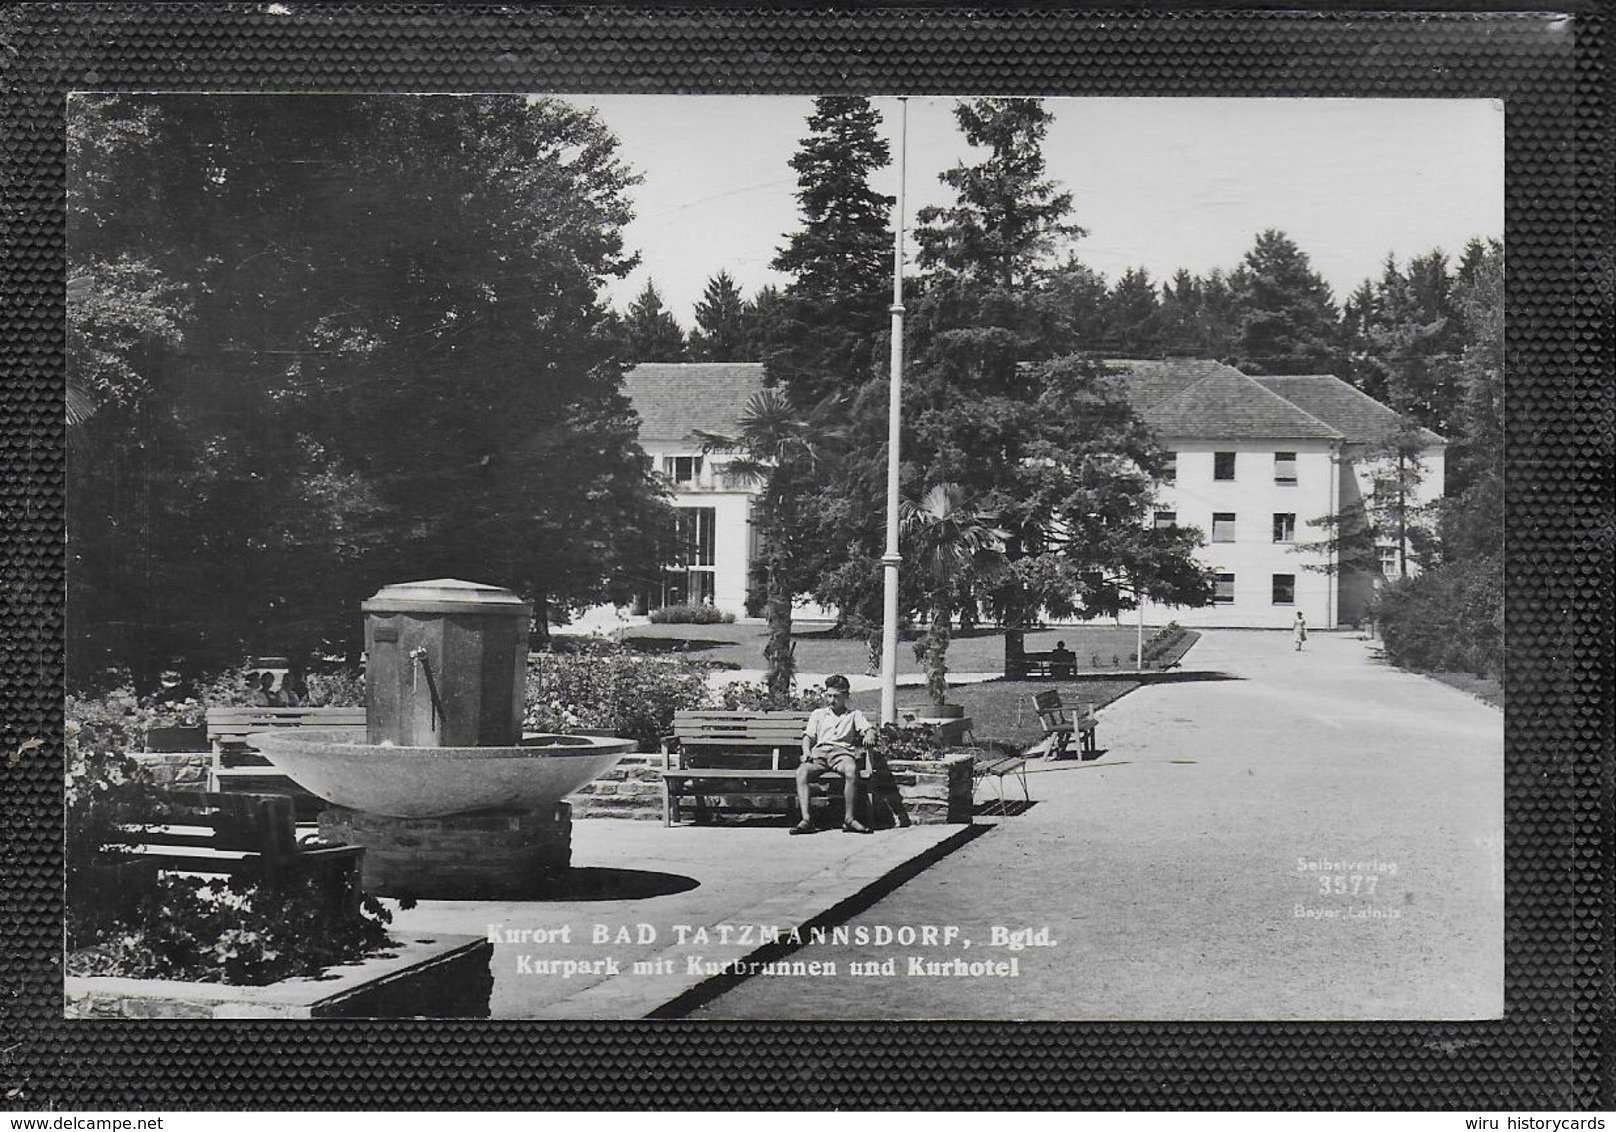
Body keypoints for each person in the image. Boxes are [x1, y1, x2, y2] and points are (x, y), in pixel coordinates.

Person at [793, 674, 875, 835]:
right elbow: (808, 736)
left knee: (851, 771)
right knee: (801, 772)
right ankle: (806, 819)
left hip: (842, 754)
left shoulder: (853, 715)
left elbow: (868, 728)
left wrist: (870, 734)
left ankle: (849, 819)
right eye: (829, 695)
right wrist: (806, 752)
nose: (831, 700)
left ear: (846, 696)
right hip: (820, 754)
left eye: (836, 696)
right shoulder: (818, 714)